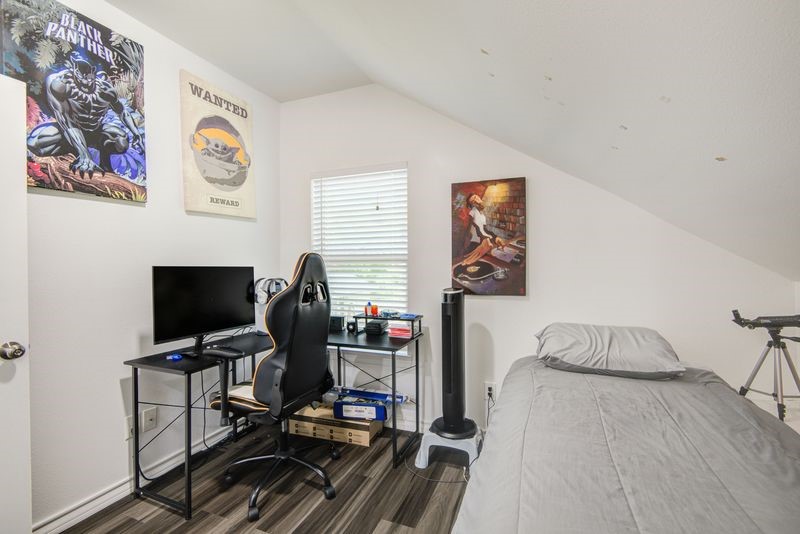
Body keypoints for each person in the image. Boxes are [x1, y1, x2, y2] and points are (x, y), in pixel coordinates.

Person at [461, 193, 505, 265]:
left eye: (475, 197)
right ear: (473, 205)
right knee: (468, 263)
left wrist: (496, 237)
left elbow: (485, 230)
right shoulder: (472, 212)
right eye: (473, 201)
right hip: (474, 244)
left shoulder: (481, 214)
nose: (475, 200)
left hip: (481, 241)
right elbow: (475, 230)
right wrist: (485, 238)